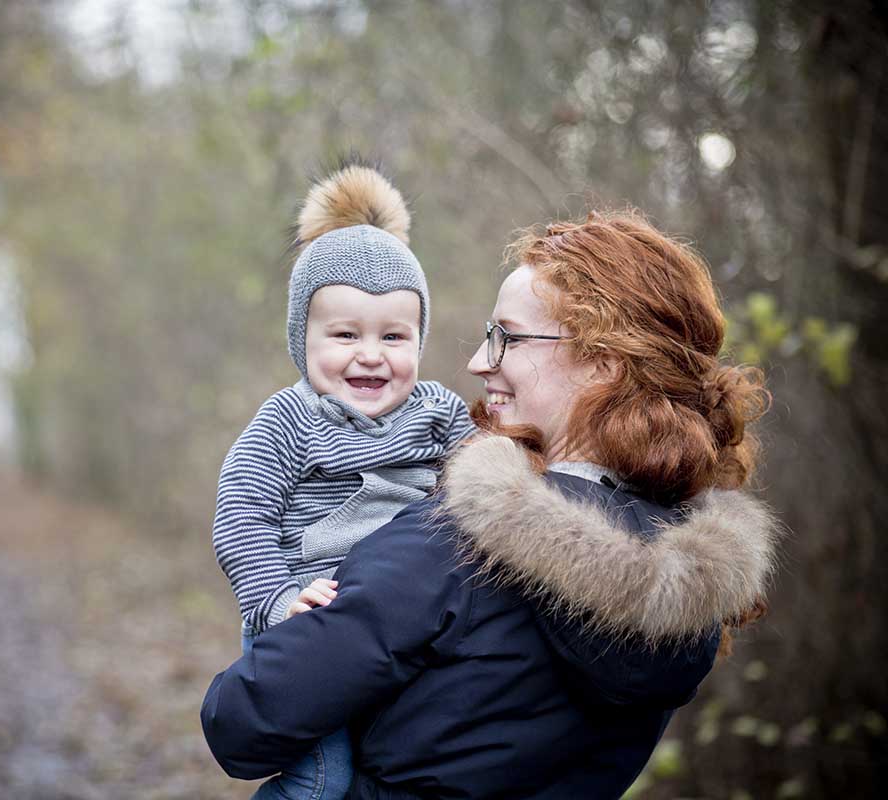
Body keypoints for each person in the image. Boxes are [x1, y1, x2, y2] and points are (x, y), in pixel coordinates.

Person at [202, 209, 782, 799]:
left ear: (604, 365)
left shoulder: (452, 543)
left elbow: (242, 722)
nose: (479, 361)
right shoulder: (687, 589)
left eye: (506, 336)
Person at [211, 160, 476, 800]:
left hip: (395, 625)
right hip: (306, 617)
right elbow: (240, 513)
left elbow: (488, 480)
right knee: (321, 782)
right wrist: (275, 601)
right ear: (303, 340)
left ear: (419, 338)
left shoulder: (438, 411)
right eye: (344, 334)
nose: (370, 354)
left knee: (389, 762)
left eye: (394, 335)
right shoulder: (290, 417)